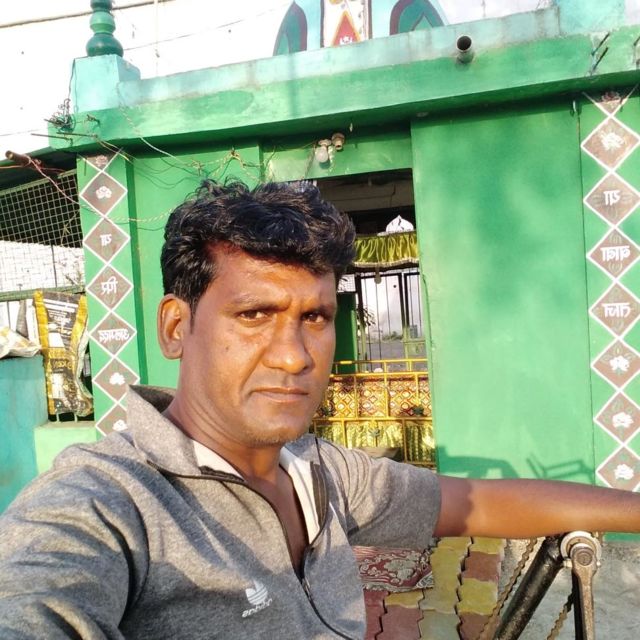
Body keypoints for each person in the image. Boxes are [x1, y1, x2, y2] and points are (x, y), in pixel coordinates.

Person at [0, 180, 639, 640]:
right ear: (175, 327)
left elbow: (474, 502)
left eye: (315, 317)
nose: (294, 356)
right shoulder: (102, 505)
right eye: (255, 314)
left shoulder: (318, 473)